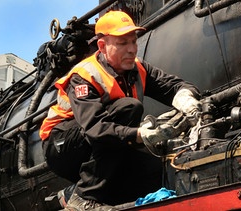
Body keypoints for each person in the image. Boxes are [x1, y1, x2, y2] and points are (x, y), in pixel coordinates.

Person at [39, 10, 201, 210]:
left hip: (99, 143)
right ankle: (82, 198)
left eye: (133, 41)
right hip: (61, 145)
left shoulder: (138, 68)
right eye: (123, 43)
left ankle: (91, 195)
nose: (132, 49)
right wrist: (140, 134)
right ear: (102, 46)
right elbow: (95, 128)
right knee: (129, 108)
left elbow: (172, 86)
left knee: (153, 169)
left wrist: (186, 98)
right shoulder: (84, 75)